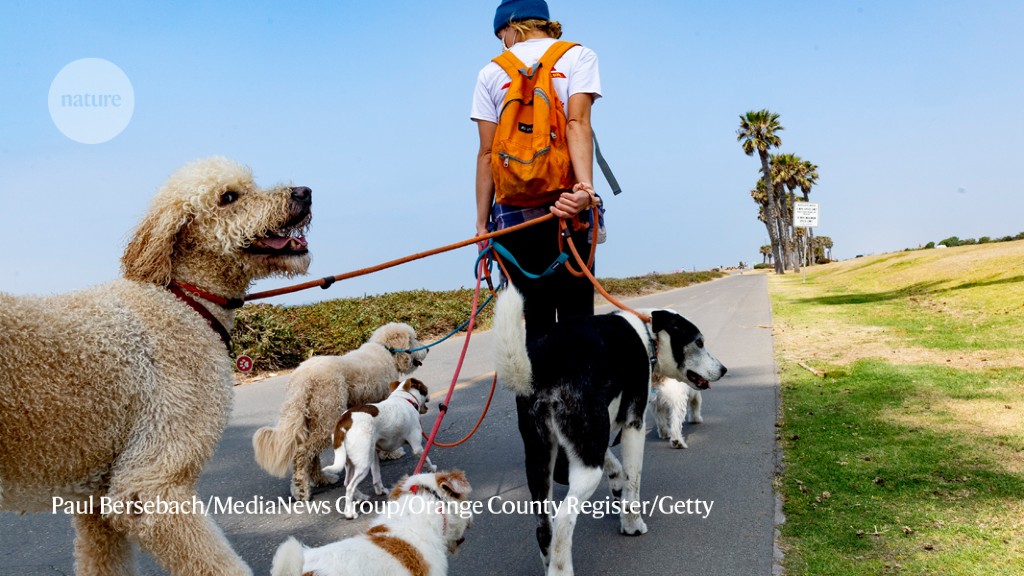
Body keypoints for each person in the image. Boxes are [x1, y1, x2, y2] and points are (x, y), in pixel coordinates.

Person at [471, 0, 603, 338]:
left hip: (514, 217)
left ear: (511, 27)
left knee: (536, 328)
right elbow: (577, 123)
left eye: (501, 36)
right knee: (578, 325)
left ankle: (537, 373)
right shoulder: (578, 56)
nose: (502, 44)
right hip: (567, 208)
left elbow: (487, 153)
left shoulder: (490, 73)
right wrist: (586, 190)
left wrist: (482, 224)